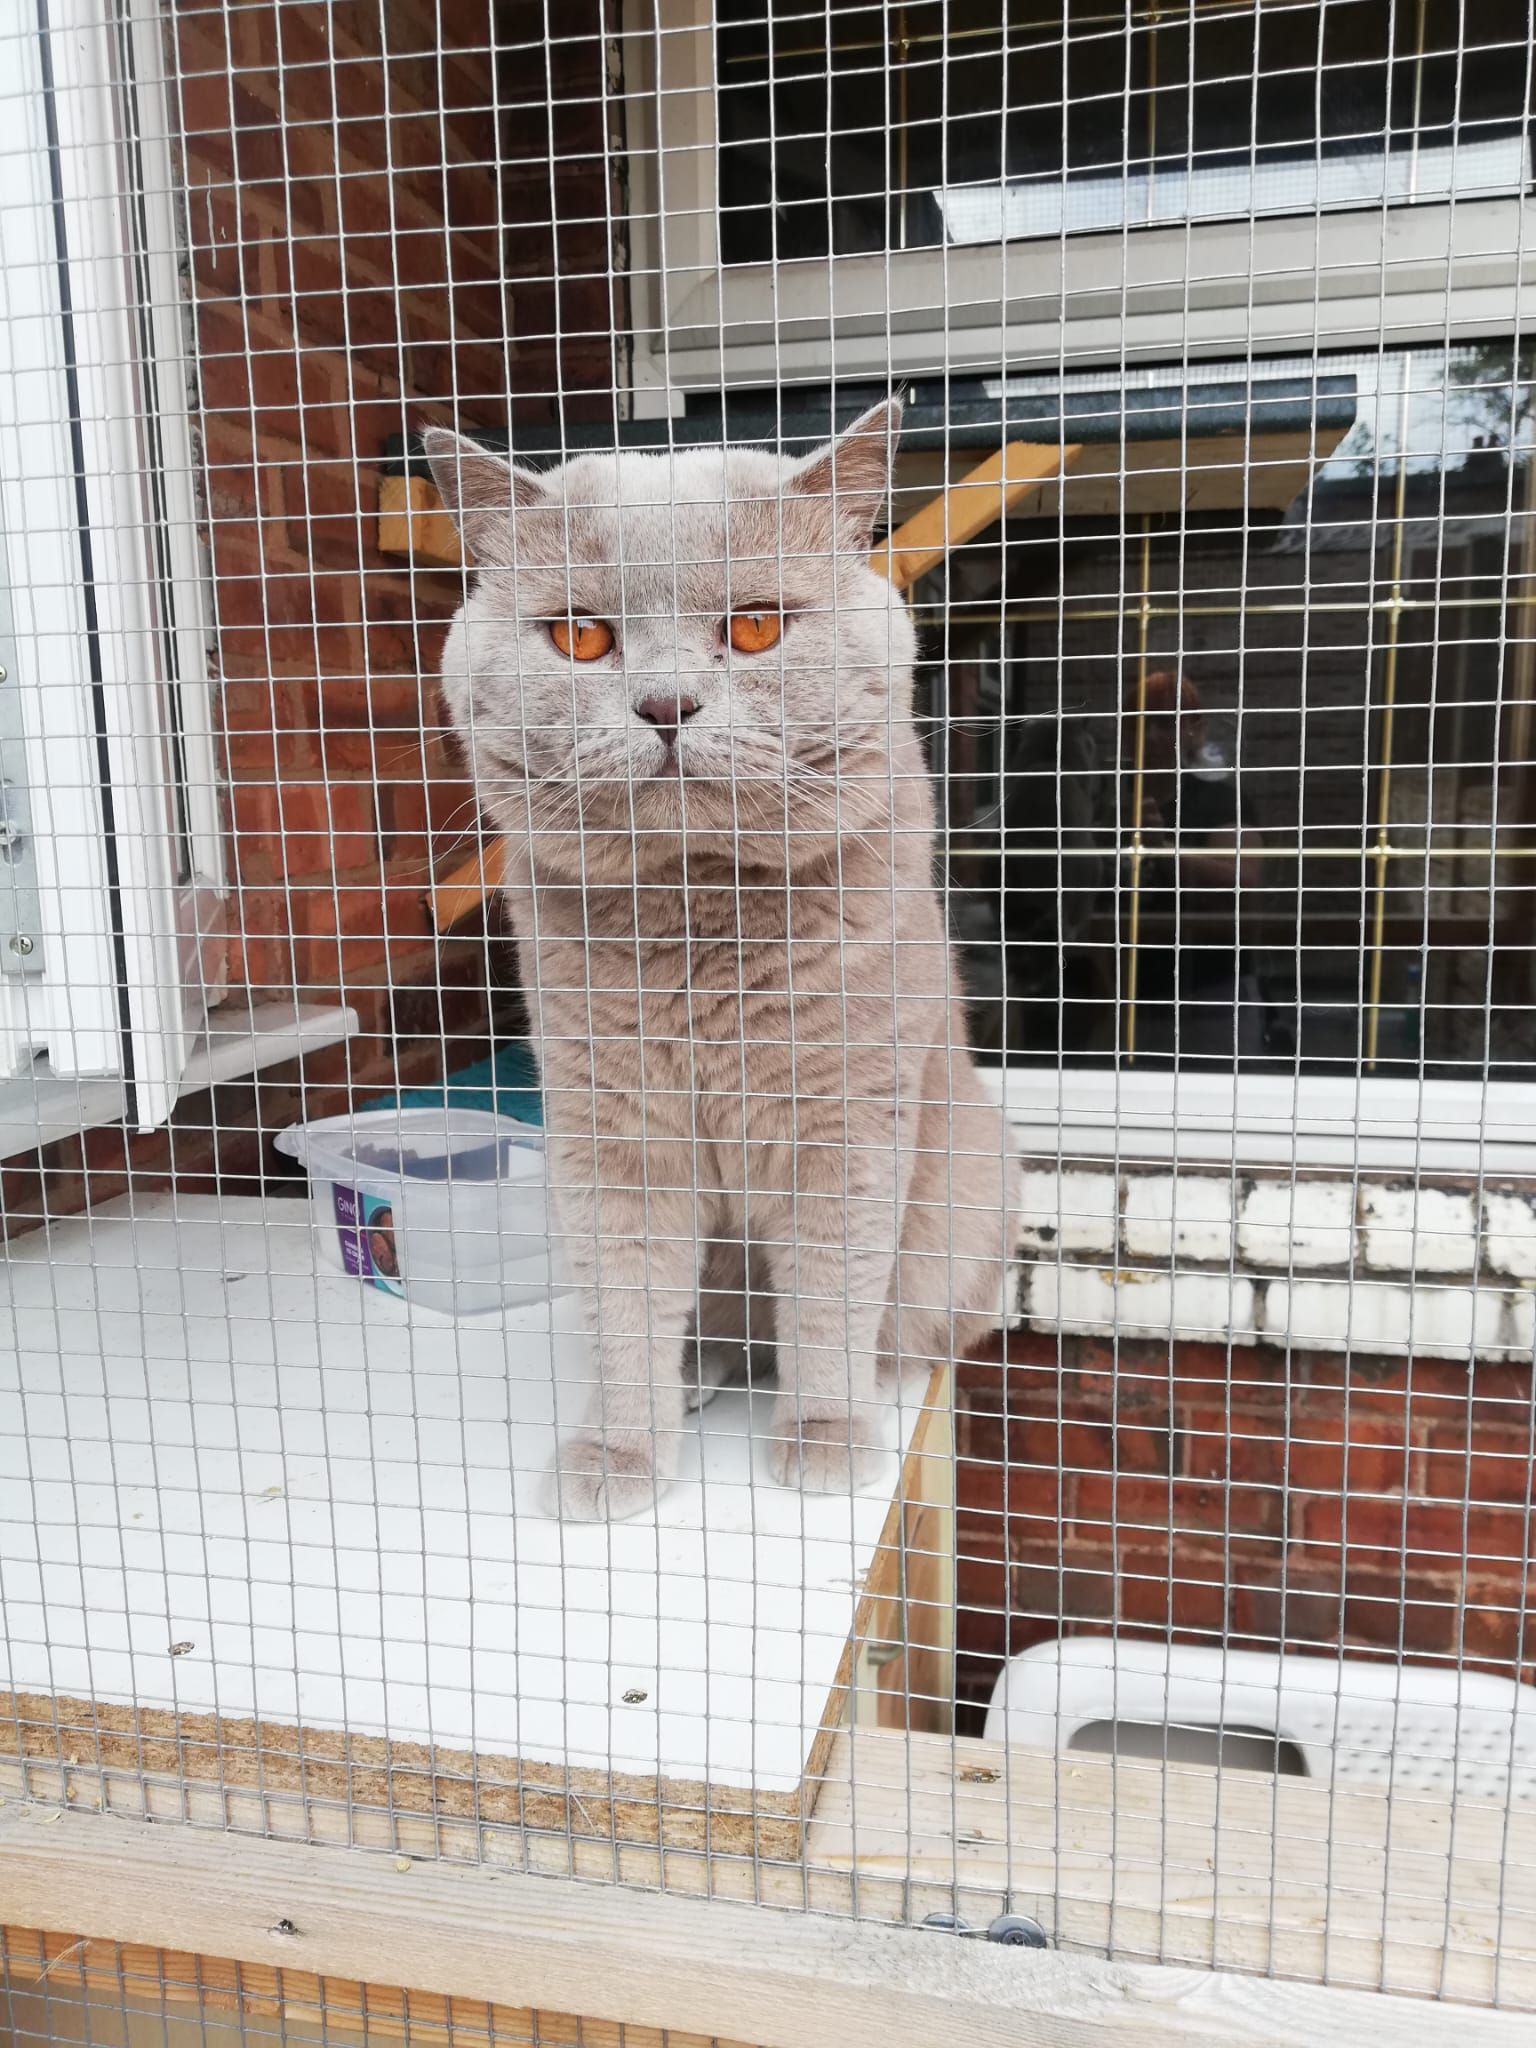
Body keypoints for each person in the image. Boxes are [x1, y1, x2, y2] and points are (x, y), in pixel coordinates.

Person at [1120, 669, 1266, 1066]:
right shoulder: (1109, 802)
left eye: (1165, 723)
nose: (1150, 737)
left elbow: (1243, 879)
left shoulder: (1218, 799)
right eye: (1139, 723)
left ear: (1191, 729)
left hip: (1212, 989)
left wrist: (1162, 850)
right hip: (1128, 992)